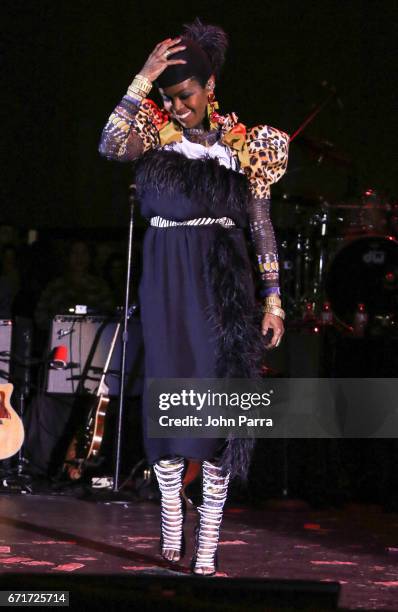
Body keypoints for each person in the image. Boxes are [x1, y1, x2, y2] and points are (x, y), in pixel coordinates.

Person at [99, 18, 288, 576]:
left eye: (185, 96)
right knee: (167, 394)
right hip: (165, 278)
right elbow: (110, 144)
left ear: (209, 90)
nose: (177, 106)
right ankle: (170, 517)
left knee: (219, 405)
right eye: (168, 96)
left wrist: (274, 298)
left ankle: (207, 541)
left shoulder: (243, 146)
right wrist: (141, 79)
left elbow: (261, 224)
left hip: (221, 280)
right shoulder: (153, 134)